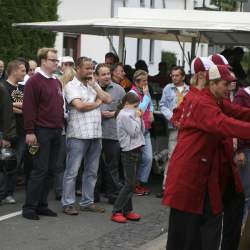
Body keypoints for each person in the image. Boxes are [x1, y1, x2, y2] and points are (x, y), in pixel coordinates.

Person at [164, 64, 250, 250]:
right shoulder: (203, 102)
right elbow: (224, 124)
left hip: (202, 174)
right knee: (187, 231)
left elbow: (237, 113)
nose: (229, 88)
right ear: (212, 82)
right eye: (226, 84)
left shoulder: (213, 99)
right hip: (189, 175)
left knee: (207, 223)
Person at [62, 57, 112, 215]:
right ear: (78, 68)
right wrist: (97, 103)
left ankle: (87, 202)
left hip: (95, 134)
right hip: (78, 134)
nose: (90, 71)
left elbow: (108, 99)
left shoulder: (92, 85)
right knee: (72, 171)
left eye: (92, 68)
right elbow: (80, 106)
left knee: (91, 172)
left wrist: (96, 86)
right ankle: (68, 203)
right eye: (87, 68)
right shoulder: (71, 86)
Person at [22, 48, 64, 220]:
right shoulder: (34, 81)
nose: (56, 63)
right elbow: (29, 109)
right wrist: (30, 131)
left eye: (56, 60)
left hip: (56, 130)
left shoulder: (56, 81)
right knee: (39, 170)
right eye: (53, 60)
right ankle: (29, 207)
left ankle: (42, 205)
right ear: (43, 61)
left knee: (51, 171)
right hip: (41, 131)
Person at [94, 63, 125, 204]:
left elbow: (127, 110)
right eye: (103, 74)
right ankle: (94, 195)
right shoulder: (91, 89)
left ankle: (112, 194)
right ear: (97, 76)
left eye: (108, 74)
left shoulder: (119, 90)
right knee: (94, 166)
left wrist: (113, 113)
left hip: (112, 134)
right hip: (94, 133)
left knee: (112, 166)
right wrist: (98, 114)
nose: (106, 77)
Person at [111, 92, 145, 223]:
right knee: (129, 184)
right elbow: (134, 132)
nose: (137, 108)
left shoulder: (130, 113)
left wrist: (139, 118)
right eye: (135, 106)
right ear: (126, 104)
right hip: (129, 150)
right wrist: (137, 117)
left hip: (135, 149)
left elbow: (141, 131)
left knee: (131, 183)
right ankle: (117, 211)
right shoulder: (124, 115)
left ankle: (127, 210)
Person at [157, 66, 189, 198]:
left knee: (186, 158)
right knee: (171, 156)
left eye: (176, 75)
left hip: (187, 128)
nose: (174, 77)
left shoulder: (190, 90)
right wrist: (172, 117)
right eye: (172, 75)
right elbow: (162, 105)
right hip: (174, 126)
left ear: (183, 77)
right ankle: (166, 187)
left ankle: (182, 187)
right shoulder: (168, 88)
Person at [2, 60, 27, 204]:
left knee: (14, 164)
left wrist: (13, 106)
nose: (24, 73)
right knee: (3, 163)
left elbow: (29, 106)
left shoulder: (23, 88)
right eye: (23, 70)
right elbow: (3, 107)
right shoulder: (3, 86)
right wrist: (19, 107)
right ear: (14, 71)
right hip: (7, 131)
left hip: (22, 131)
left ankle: (8, 193)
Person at [130, 70, 154, 196]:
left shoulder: (145, 92)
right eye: (144, 81)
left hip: (146, 129)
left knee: (148, 158)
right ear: (137, 82)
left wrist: (151, 112)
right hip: (136, 131)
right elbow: (139, 110)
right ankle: (134, 184)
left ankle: (141, 182)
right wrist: (145, 96)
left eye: (146, 80)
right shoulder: (132, 94)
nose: (146, 83)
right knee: (135, 159)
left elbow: (150, 104)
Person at [0, 80, 16, 205]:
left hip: (1, 132)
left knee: (5, 165)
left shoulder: (2, 89)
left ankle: (4, 194)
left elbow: (7, 112)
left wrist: (6, 136)